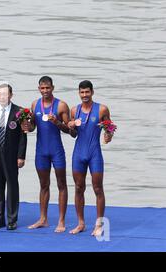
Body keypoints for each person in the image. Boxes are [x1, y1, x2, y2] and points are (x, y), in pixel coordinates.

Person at [22, 76, 71, 233]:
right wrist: (27, 126)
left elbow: (71, 131)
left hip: (56, 151)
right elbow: (33, 128)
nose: (45, 91)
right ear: (38, 89)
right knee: (43, 185)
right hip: (41, 151)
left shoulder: (61, 106)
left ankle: (61, 221)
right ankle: (43, 219)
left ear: (53, 88)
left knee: (61, 184)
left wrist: (57, 122)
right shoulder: (35, 104)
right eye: (42, 88)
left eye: (47, 88)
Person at [67, 80, 113, 236]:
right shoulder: (74, 110)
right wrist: (71, 126)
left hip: (94, 153)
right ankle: (81, 223)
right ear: (79, 93)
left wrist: (108, 136)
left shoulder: (102, 109)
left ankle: (99, 224)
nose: (84, 95)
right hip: (78, 153)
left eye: (87, 92)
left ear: (92, 92)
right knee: (79, 188)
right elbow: (73, 134)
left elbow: (109, 128)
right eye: (82, 92)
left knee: (98, 188)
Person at [0, 84, 27, 230]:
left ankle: (12, 220)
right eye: (0, 94)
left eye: (5, 94)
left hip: (11, 154)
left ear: (11, 95)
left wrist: (21, 156)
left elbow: (22, 136)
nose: (2, 97)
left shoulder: (19, 112)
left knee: (12, 186)